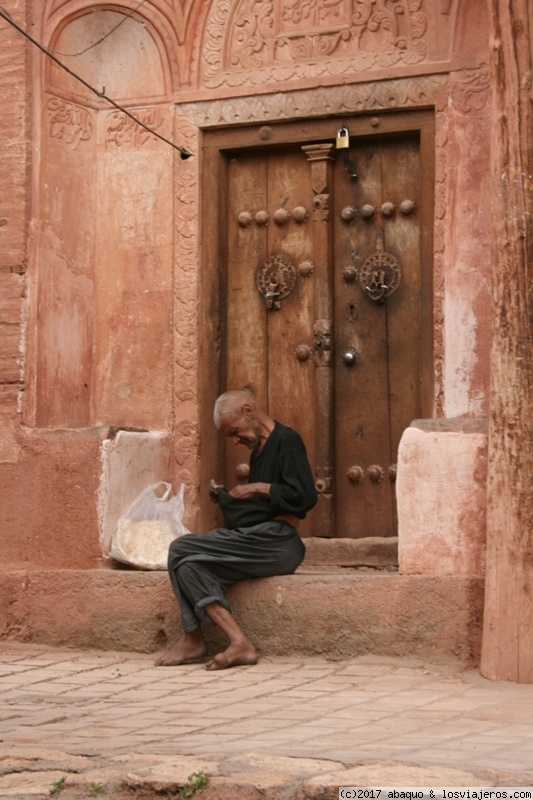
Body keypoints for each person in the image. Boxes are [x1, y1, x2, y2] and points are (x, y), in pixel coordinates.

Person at [155, 389, 318, 670]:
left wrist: (256, 487)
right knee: (188, 568)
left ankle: (192, 636)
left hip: (280, 542)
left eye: (235, 431)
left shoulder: (287, 440)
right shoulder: (257, 454)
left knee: (180, 548)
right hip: (259, 540)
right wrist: (228, 500)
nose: (235, 440)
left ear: (248, 411)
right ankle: (238, 642)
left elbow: (305, 497)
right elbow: (259, 512)